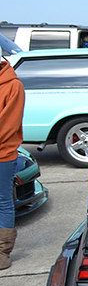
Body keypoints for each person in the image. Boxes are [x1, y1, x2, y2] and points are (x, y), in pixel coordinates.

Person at [0, 53, 25, 269]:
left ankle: (2, 252)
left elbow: (8, 126)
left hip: (3, 155)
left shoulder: (13, 85)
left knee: (3, 201)